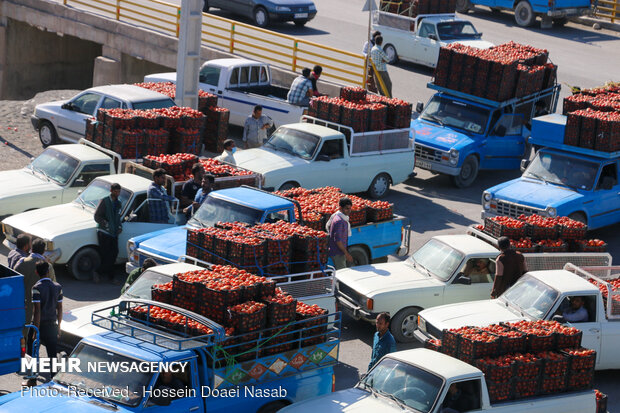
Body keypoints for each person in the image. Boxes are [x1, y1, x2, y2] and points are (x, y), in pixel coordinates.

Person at [31, 260, 63, 359]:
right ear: (48, 271)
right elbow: (60, 308)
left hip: (40, 325)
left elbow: (37, 311)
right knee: (52, 356)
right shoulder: (58, 287)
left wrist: (36, 330)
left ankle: (31, 372)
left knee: (31, 352)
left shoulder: (36, 288)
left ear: (36, 272)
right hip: (53, 325)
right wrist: (59, 327)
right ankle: (53, 374)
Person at [94, 183, 123, 283]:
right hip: (104, 232)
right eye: (115, 191)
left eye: (119, 191)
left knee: (114, 254)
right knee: (106, 255)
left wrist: (119, 226)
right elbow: (97, 216)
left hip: (114, 233)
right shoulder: (105, 201)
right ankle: (104, 275)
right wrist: (106, 224)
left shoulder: (118, 203)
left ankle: (103, 274)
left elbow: (118, 217)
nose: (117, 193)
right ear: (111, 191)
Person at [326, 197, 354, 270]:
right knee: (342, 273)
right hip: (338, 253)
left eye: (350, 208)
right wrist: (346, 254)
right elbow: (338, 241)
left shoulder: (339, 217)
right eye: (347, 208)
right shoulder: (339, 221)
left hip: (338, 251)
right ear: (340, 208)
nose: (349, 211)